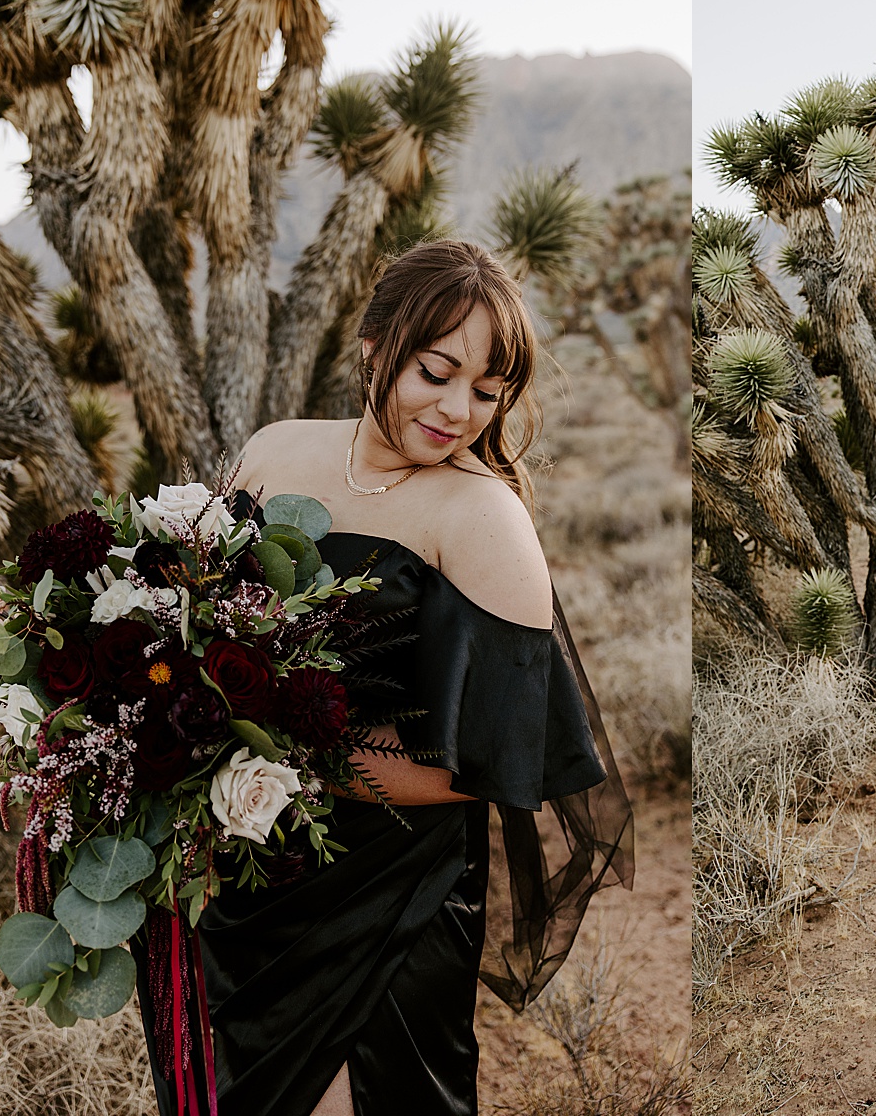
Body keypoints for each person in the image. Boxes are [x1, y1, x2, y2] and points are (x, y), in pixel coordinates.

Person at [134, 239, 634, 1116]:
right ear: (376, 348)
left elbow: (502, 767)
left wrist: (293, 767)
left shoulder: (483, 519)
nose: (456, 411)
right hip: (252, 880)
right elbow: (202, 622)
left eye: (486, 391)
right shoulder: (275, 451)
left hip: (390, 896)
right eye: (435, 373)